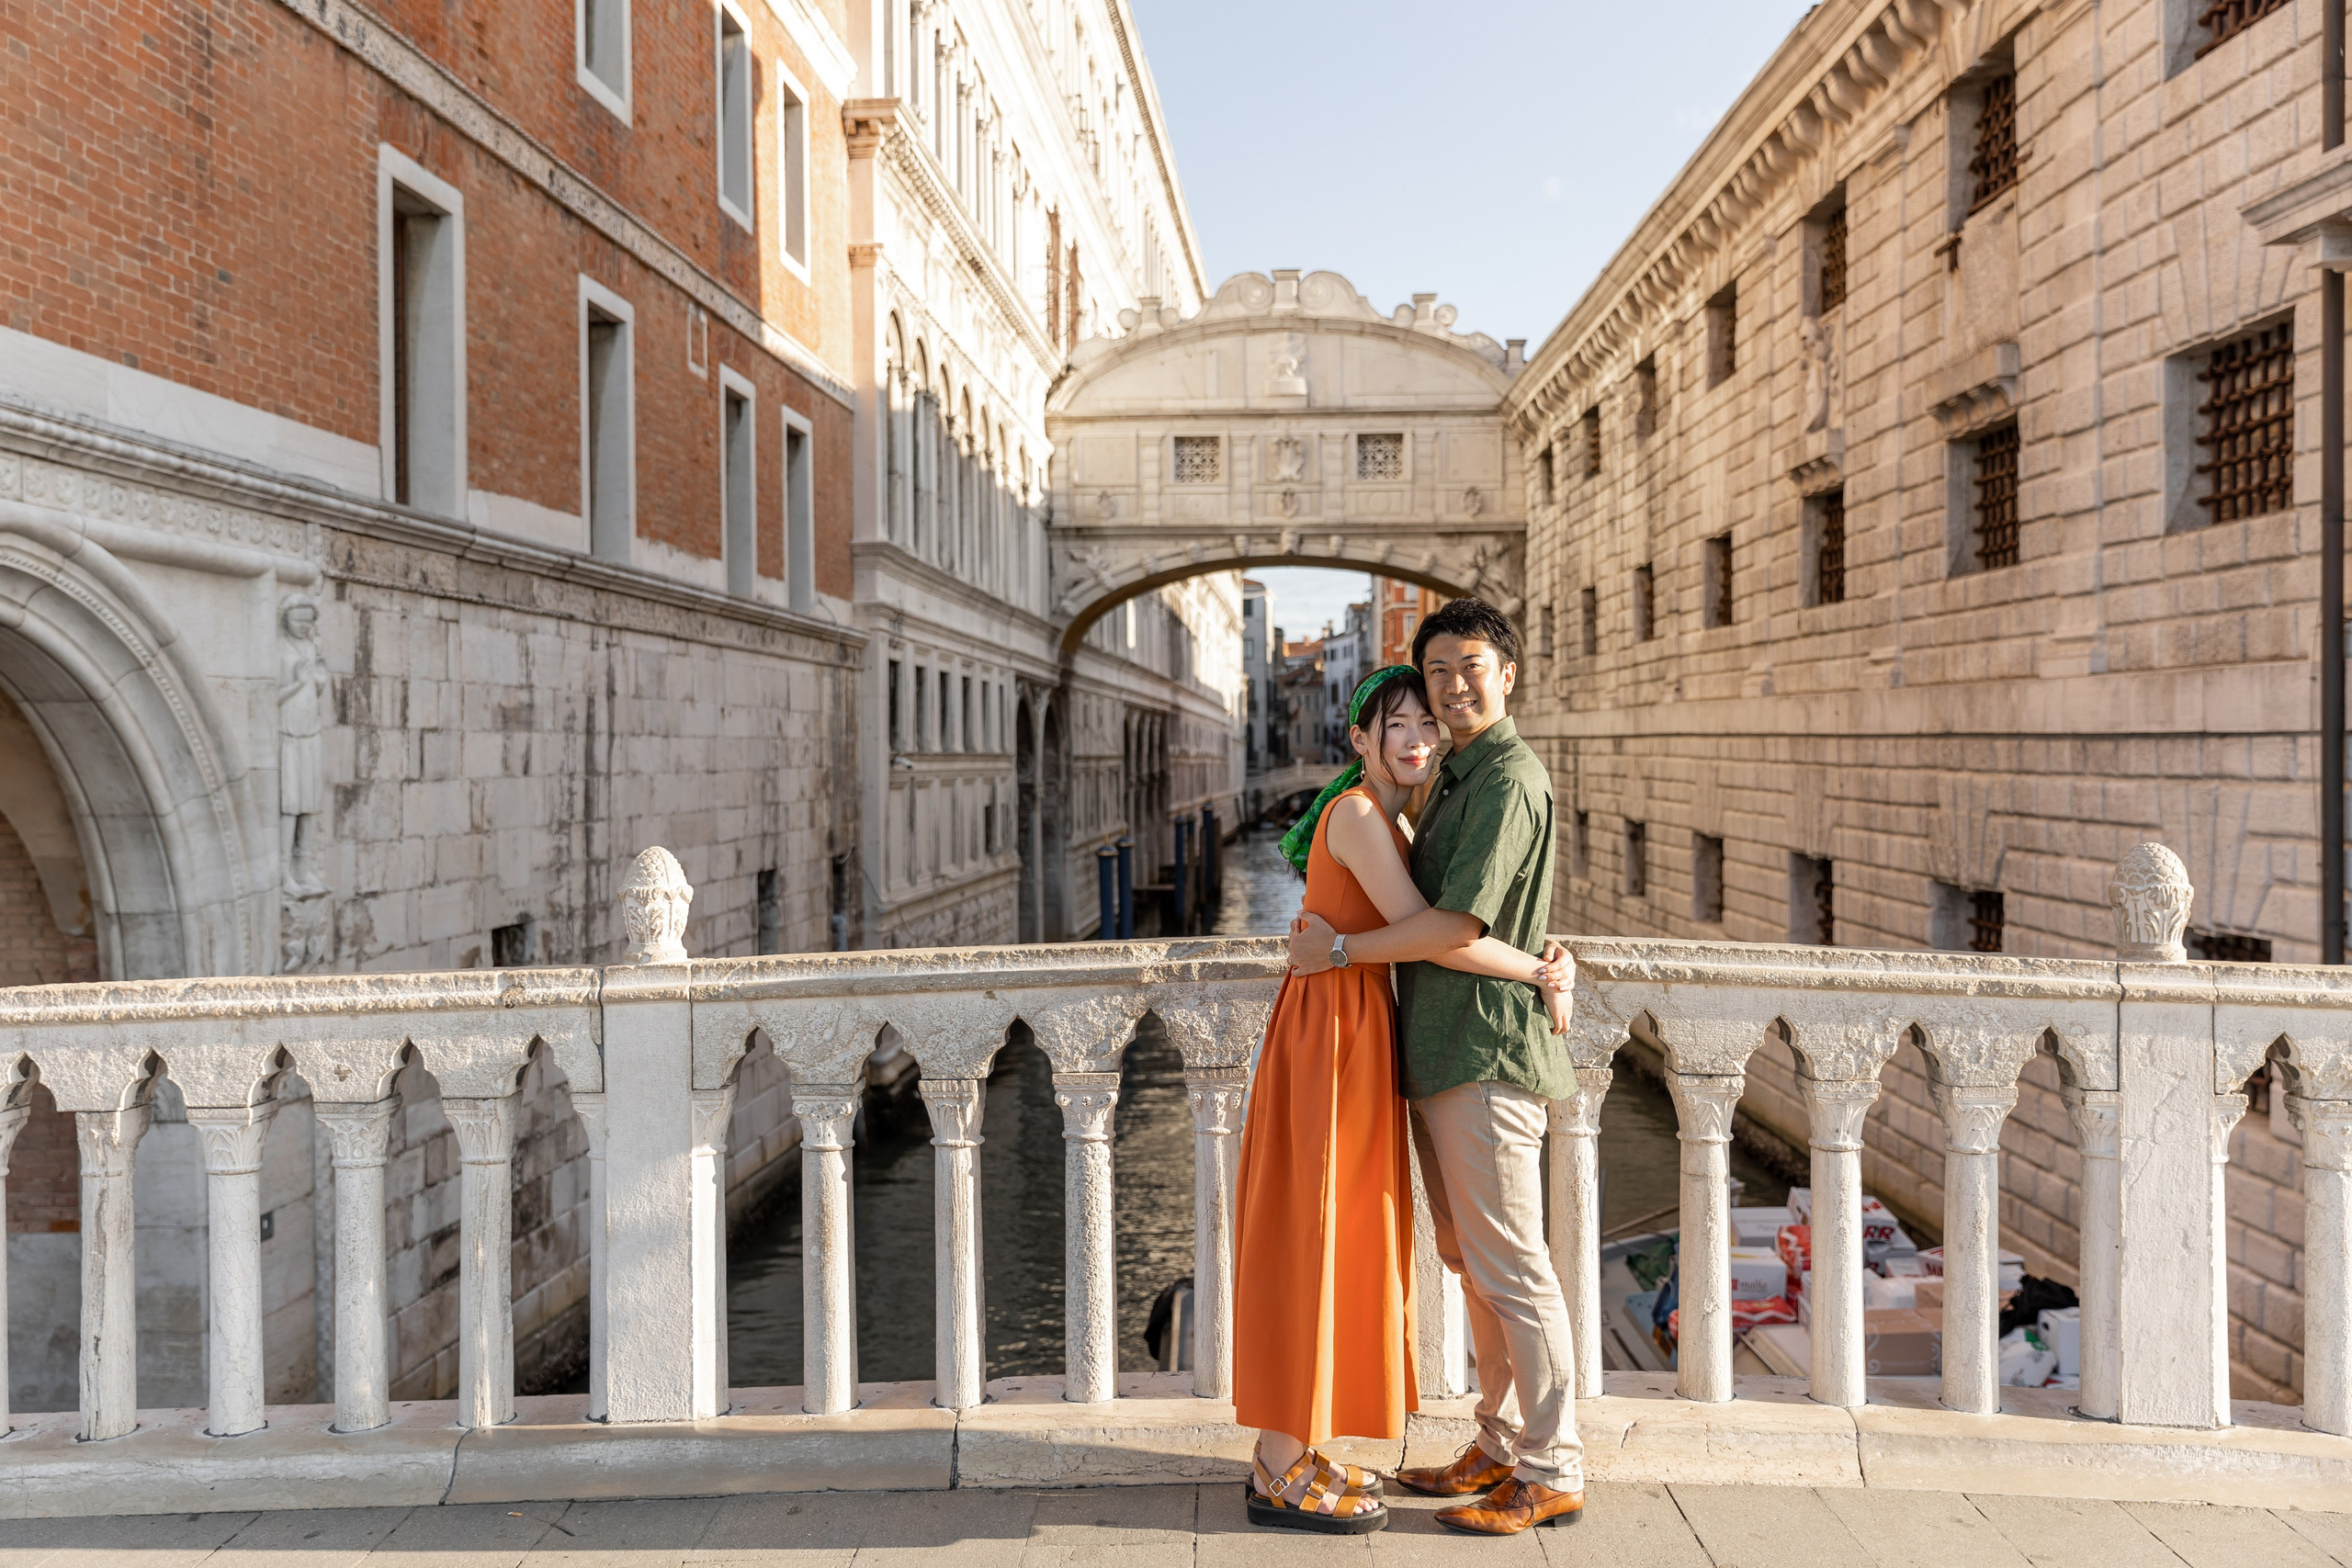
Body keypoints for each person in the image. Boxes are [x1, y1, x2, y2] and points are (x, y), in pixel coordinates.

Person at [1235, 664, 1569, 1535]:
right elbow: (1444, 935)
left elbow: (1442, 923)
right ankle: (1276, 1463)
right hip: (1332, 1033)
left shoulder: (1387, 810)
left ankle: (1294, 1443)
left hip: (1349, 1030)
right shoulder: (1359, 814)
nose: (1419, 735)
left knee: (1335, 1233)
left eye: (1427, 720)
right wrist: (1540, 968)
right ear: (1361, 739)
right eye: (1398, 723)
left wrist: (1543, 948)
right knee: (1311, 1231)